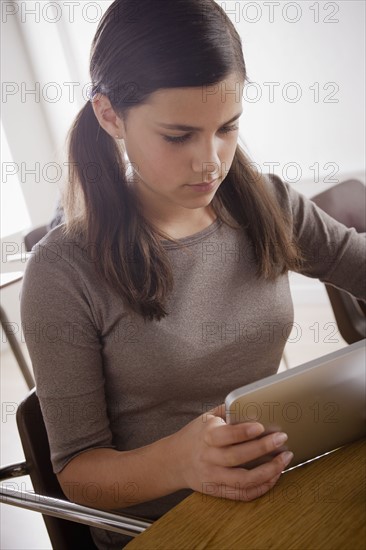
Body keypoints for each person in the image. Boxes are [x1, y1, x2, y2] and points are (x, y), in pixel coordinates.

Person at [20, 1, 366, 548]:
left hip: (281, 488)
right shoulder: (63, 272)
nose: (210, 161)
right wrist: (178, 464)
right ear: (110, 115)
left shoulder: (269, 203)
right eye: (178, 136)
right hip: (165, 528)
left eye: (227, 127)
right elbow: (78, 475)